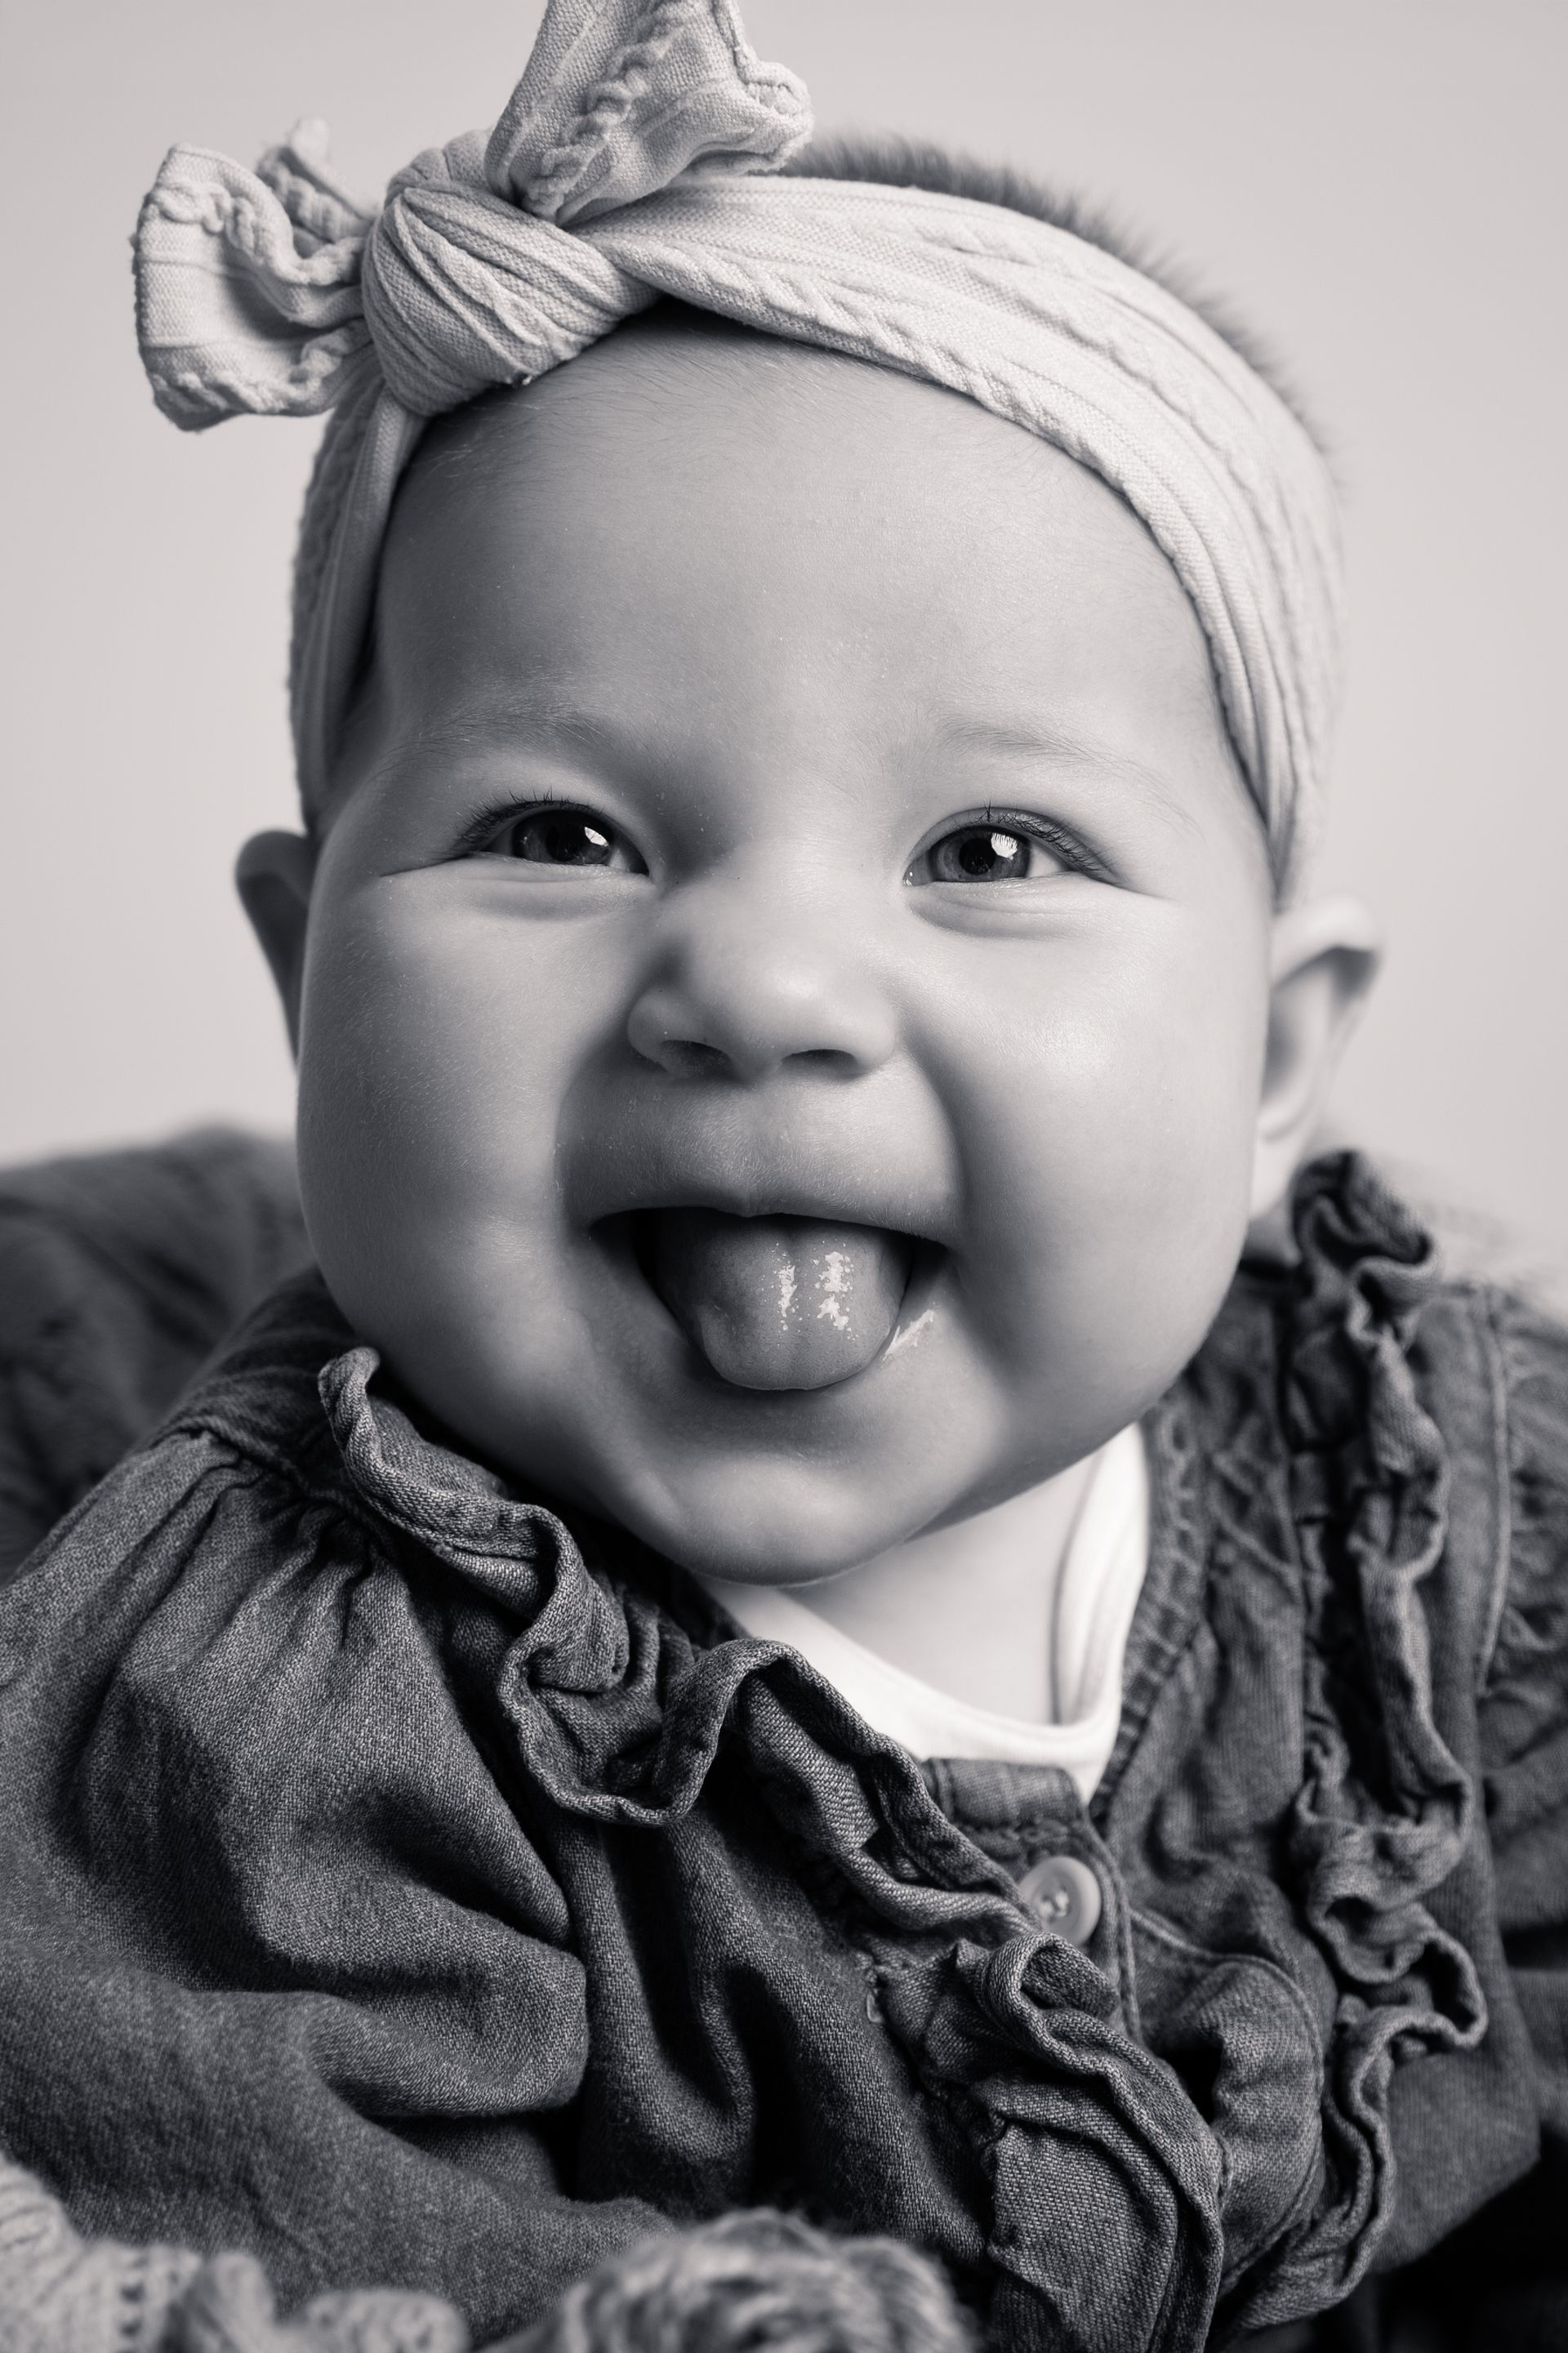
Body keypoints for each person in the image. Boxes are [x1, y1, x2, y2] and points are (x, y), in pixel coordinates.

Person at [1, 2, 1563, 2346]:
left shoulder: (1418, 1498)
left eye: (990, 847)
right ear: (306, 971)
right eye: (562, 832)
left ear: (1266, 1063)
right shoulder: (265, 1725)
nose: (763, 983)